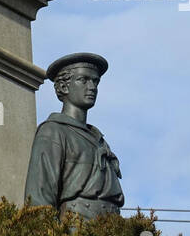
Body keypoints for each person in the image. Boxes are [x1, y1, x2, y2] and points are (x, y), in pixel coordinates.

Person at [24, 54, 124, 219]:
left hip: (112, 230)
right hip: (75, 231)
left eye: (95, 81)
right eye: (83, 80)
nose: (92, 86)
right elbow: (39, 200)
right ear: (64, 87)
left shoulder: (100, 141)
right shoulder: (52, 131)